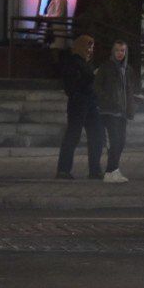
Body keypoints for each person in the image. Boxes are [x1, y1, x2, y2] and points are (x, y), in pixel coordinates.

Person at [57, 34, 104, 181]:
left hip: (91, 103)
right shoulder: (73, 62)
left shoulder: (85, 62)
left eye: (92, 47)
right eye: (88, 47)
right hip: (79, 103)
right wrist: (91, 77)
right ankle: (63, 170)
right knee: (73, 135)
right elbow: (72, 85)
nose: (90, 50)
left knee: (97, 135)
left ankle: (95, 170)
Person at [95, 38, 137, 184]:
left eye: (123, 50)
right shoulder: (106, 67)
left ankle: (113, 170)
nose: (120, 53)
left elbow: (129, 90)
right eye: (118, 50)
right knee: (115, 141)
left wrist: (130, 108)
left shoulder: (128, 69)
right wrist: (107, 99)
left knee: (121, 141)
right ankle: (110, 172)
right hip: (110, 111)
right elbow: (97, 87)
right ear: (113, 51)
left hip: (123, 111)